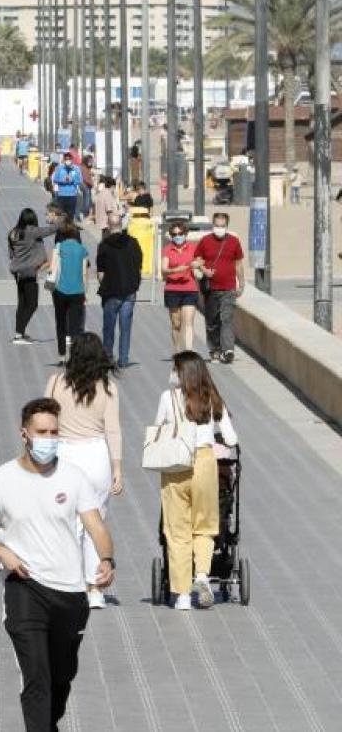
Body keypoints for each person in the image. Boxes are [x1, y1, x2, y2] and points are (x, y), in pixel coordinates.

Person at [0, 397, 115, 732]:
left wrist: (106, 559)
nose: (48, 438)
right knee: (36, 678)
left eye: (54, 432)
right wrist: (1, 552)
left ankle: (49, 724)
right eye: (41, 431)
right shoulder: (0, 480)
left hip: (70, 594)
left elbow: (96, 526)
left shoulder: (73, 478)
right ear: (24, 434)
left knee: (61, 678)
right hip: (24, 588)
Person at [45, 333, 123, 610]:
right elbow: (112, 429)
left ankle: (68, 585)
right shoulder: (108, 387)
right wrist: (117, 466)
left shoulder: (56, 382)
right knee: (96, 523)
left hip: (65, 455)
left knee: (67, 524)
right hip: (95, 455)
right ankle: (95, 587)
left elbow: (44, 419)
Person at [153, 351, 237, 610]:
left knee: (177, 531)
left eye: (175, 369)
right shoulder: (211, 399)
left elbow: (158, 429)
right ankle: (202, 576)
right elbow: (232, 439)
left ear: (181, 372)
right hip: (204, 463)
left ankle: (182, 596)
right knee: (205, 524)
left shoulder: (167, 398)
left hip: (176, 465)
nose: (172, 374)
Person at [192, 212, 244, 364]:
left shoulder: (234, 241)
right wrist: (205, 270)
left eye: (222, 226)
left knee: (226, 319)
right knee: (212, 321)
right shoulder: (205, 241)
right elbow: (197, 260)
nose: (219, 228)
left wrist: (241, 283)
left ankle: (228, 350)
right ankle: (214, 349)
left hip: (229, 287)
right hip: (210, 288)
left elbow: (238, 264)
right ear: (213, 225)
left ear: (227, 226)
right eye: (217, 225)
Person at [96, 215, 143, 368]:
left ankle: (108, 356)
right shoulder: (133, 243)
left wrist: (105, 284)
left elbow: (100, 272)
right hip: (129, 290)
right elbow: (139, 265)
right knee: (126, 326)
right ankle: (123, 359)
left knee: (109, 326)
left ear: (109, 226)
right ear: (121, 225)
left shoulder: (104, 245)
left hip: (111, 292)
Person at [8, 208, 59, 344]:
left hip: (18, 272)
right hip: (29, 272)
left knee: (22, 303)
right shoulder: (32, 231)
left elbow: (11, 254)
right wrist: (63, 218)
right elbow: (50, 230)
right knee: (32, 304)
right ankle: (18, 334)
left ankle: (20, 334)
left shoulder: (13, 232)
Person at [51, 223, 89, 365]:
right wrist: (85, 292)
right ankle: (74, 356)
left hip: (60, 290)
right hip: (77, 291)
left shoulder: (58, 248)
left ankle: (61, 356)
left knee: (60, 323)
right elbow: (84, 273)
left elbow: (52, 268)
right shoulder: (82, 250)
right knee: (75, 326)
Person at [161, 221, 200, 352]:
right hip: (172, 289)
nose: (178, 236)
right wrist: (176, 270)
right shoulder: (167, 250)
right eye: (174, 234)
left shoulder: (193, 247)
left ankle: (188, 351)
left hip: (190, 288)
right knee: (176, 323)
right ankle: (177, 350)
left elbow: (201, 260)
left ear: (185, 234)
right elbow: (163, 270)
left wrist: (198, 265)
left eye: (180, 233)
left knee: (188, 322)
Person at [51, 152, 83, 221]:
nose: (68, 161)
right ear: (64, 160)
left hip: (72, 195)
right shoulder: (60, 168)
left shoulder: (76, 169)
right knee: (62, 215)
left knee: (70, 215)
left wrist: (72, 180)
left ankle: (69, 228)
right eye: (66, 159)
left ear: (72, 160)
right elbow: (55, 179)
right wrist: (63, 180)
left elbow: (80, 180)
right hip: (62, 195)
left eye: (69, 159)